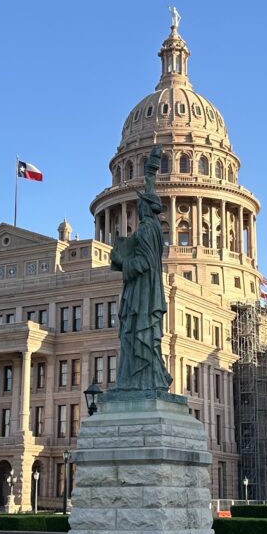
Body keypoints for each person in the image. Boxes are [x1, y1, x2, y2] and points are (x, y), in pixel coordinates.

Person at [110, 145, 173, 392]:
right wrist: (151, 170)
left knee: (135, 334)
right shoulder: (154, 227)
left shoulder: (147, 229)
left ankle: (140, 380)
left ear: (145, 207)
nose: (137, 209)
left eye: (140, 206)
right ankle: (144, 379)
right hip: (144, 290)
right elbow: (149, 188)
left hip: (141, 292)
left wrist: (123, 262)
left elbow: (144, 262)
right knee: (134, 335)